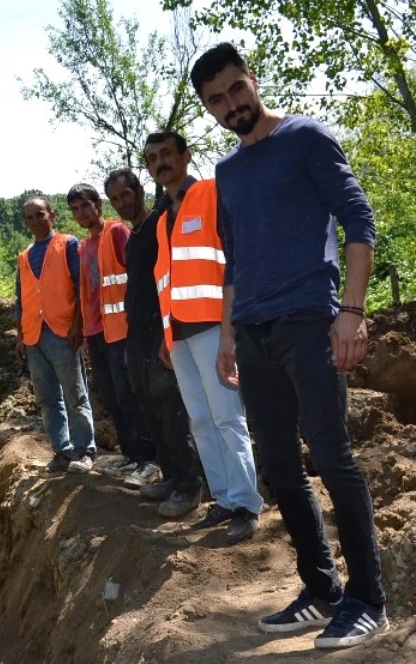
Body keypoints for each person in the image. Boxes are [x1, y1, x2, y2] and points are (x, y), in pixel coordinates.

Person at [191, 43, 388, 648]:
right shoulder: (226, 172)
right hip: (252, 330)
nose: (231, 106)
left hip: (309, 319)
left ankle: (367, 599)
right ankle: (322, 589)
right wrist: (227, 333)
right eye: (217, 101)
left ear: (253, 79)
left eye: (236, 90)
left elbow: (360, 222)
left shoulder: (306, 138)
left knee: (331, 455)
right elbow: (234, 260)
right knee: (279, 464)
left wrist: (350, 313)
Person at [146, 131, 264, 543]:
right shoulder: (162, 220)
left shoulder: (212, 193)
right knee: (200, 419)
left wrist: (232, 329)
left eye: (166, 154)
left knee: (228, 417)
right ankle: (226, 498)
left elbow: (233, 260)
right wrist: (166, 334)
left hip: (215, 327)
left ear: (185, 156)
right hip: (179, 335)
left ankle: (248, 504)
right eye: (153, 158)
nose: (160, 162)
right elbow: (168, 281)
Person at [103, 169, 203, 518]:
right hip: (137, 333)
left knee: (171, 408)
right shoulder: (134, 237)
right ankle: (172, 477)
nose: (122, 203)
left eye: (126, 194)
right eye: (115, 199)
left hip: (160, 328)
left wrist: (167, 328)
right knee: (148, 406)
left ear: (140, 191)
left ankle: (190, 486)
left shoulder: (161, 224)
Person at [66, 183, 160, 487]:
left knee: (129, 395)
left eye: (85, 205)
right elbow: (86, 292)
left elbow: (137, 277)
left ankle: (149, 460)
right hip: (96, 331)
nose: (81, 213)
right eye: (76, 209)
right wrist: (82, 327)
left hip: (120, 329)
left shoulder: (117, 232)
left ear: (98, 205)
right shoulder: (84, 246)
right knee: (112, 398)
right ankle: (132, 455)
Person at [15, 196, 96, 474]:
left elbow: (80, 286)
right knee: (47, 398)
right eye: (30, 217)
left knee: (75, 394)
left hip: (62, 331)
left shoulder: (68, 244)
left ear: (52, 215)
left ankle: (85, 450)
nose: (36, 221)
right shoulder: (25, 256)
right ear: (26, 222)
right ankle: (62, 450)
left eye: (40, 214)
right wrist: (20, 335)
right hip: (34, 336)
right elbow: (21, 298)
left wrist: (79, 325)